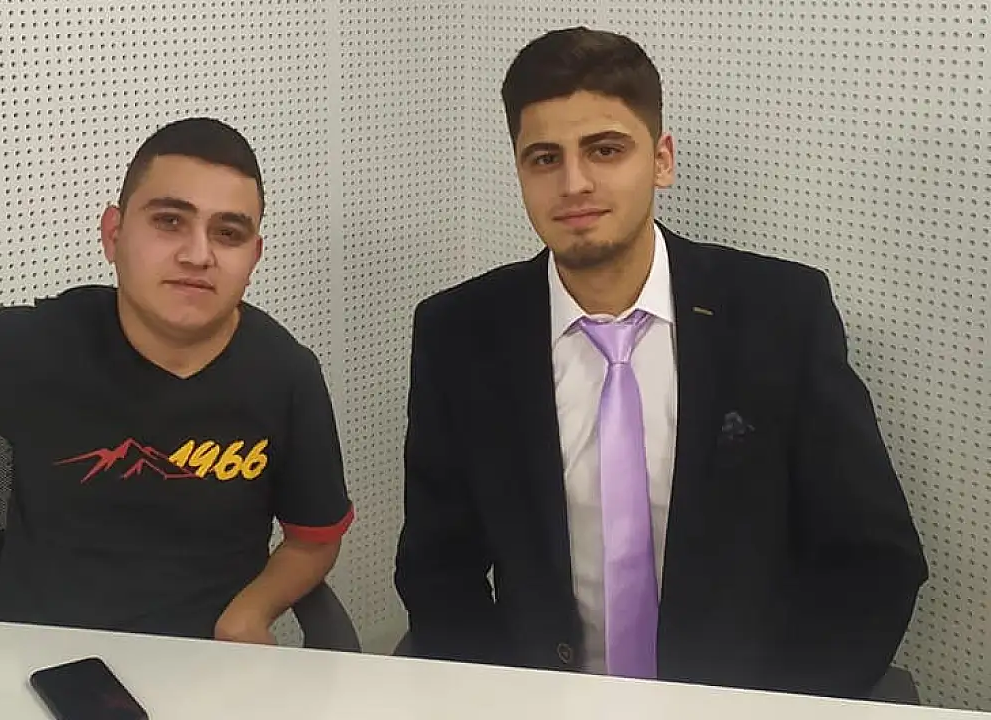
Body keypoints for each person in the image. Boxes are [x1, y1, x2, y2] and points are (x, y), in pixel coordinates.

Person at [393, 27, 928, 698]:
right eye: (544, 158)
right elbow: (437, 568)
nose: (574, 183)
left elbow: (874, 562)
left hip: (743, 701)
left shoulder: (781, 315)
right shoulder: (460, 333)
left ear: (662, 159)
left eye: (605, 149)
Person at [0, 117, 355, 644]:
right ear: (114, 234)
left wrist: (250, 613)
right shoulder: (38, 346)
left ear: (253, 257)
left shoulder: (286, 374)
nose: (199, 255)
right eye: (170, 221)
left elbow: (313, 540)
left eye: (228, 233)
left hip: (206, 661)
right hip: (36, 658)